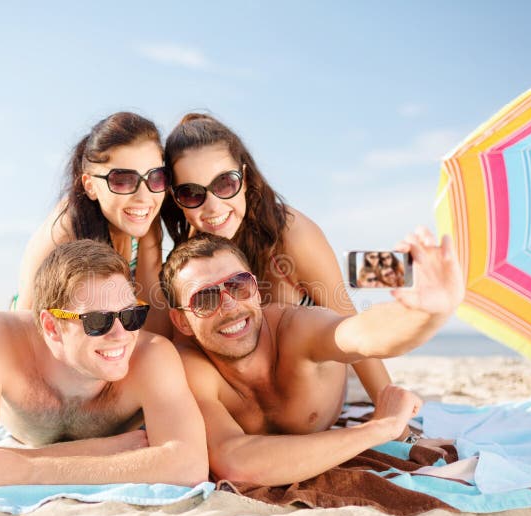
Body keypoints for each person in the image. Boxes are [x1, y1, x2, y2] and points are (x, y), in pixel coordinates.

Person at [160, 229, 463, 486]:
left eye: (238, 286)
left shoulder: (297, 328)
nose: (228, 306)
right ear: (182, 321)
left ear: (256, 290)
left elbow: (361, 335)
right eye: (205, 298)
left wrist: (426, 314)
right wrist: (379, 428)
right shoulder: (191, 369)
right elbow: (235, 462)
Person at [0, 239, 208, 487]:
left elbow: (190, 464)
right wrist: (105, 450)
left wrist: (31, 468)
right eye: (98, 321)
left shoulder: (152, 356)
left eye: (131, 315)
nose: (122, 335)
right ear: (53, 327)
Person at [160, 113, 395, 405]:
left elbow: (352, 329)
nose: (213, 206)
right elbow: (184, 349)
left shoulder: (291, 235)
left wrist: (402, 429)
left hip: (311, 401)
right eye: (192, 193)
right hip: (252, 414)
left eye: (224, 184)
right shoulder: (190, 257)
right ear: (175, 198)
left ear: (244, 179)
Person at [14, 112, 170, 335]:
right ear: (90, 185)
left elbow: (156, 320)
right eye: (123, 180)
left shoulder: (144, 216)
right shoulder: (63, 234)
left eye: (155, 176)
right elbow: (25, 332)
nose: (144, 197)